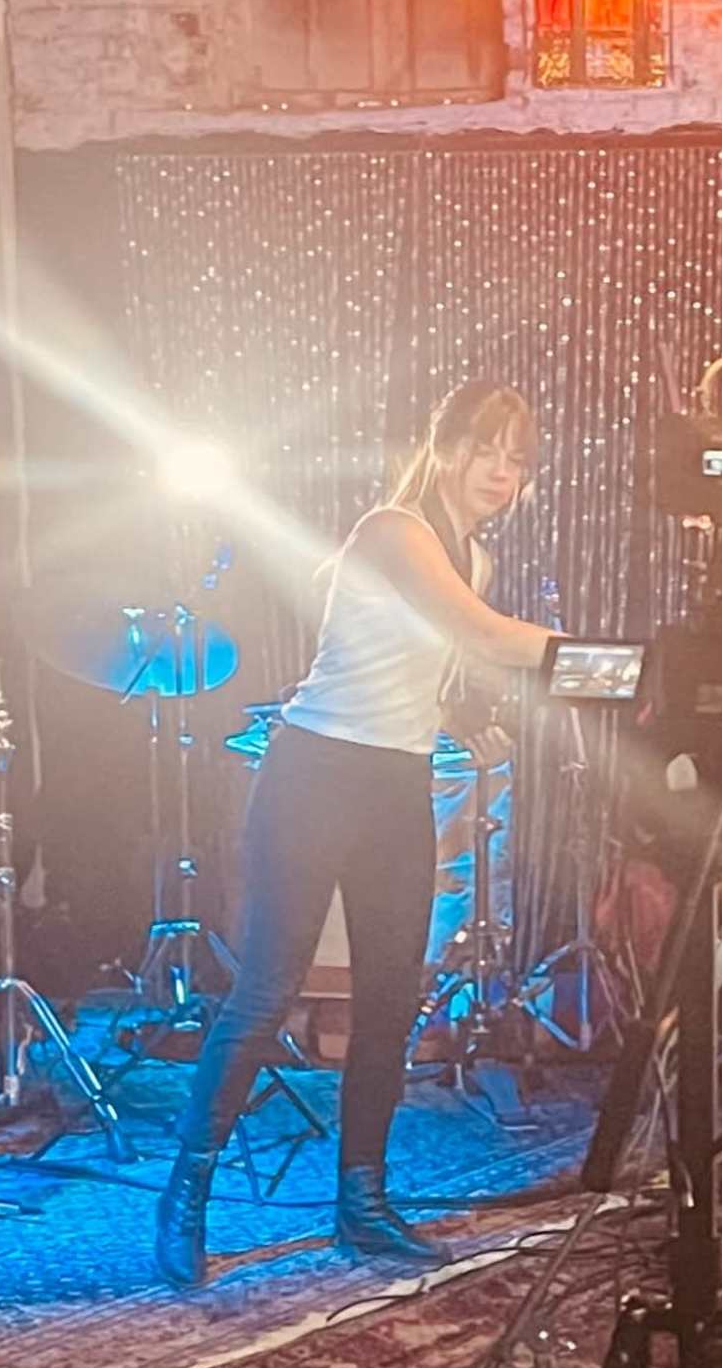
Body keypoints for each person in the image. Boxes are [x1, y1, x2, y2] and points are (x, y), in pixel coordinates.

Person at [152, 380, 555, 1288]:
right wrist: (601, 659)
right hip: (315, 771)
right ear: (444, 446)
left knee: (390, 999)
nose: (502, 471)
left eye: (519, 459)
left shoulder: (472, 557)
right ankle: (186, 1196)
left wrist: (459, 716)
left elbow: (425, 662)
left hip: (394, 782)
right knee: (266, 991)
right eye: (488, 449)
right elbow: (479, 633)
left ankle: (363, 1202)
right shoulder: (394, 530)